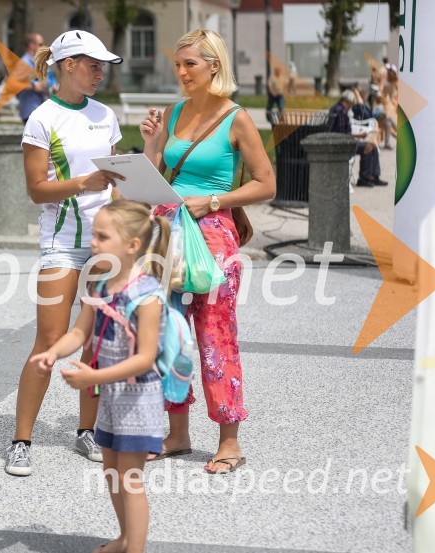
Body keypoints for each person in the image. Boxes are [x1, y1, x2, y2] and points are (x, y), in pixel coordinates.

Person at [139, 29, 275, 474]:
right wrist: (151, 145)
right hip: (167, 232)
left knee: (215, 335)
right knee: (169, 334)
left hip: (213, 235)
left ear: (214, 66)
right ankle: (177, 434)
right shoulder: (174, 111)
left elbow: (266, 183)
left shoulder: (236, 118)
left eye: (190, 65)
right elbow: (154, 174)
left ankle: (229, 441)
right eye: (177, 64)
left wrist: (214, 201)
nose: (181, 73)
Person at [6, 30, 125, 476]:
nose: (100, 72)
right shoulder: (41, 118)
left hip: (104, 243)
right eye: (93, 65)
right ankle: (21, 440)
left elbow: (116, 177)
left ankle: (86, 431)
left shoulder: (105, 114)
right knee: (49, 342)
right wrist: (82, 184)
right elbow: (36, 191)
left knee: (95, 340)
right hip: (61, 243)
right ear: (69, 65)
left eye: (102, 66)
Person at [31, 200, 170, 553]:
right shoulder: (99, 287)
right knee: (111, 471)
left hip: (139, 400)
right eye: (94, 234)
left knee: (130, 479)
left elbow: (145, 358)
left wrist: (95, 376)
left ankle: (134, 548)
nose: (93, 242)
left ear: (132, 246)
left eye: (102, 236)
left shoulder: (147, 294)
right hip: (110, 396)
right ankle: (123, 537)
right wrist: (52, 351)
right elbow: (80, 333)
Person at [329, 89, 387, 187]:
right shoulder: (341, 111)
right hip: (343, 144)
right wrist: (359, 135)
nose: (351, 107)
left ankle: (372, 176)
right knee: (369, 147)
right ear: (347, 101)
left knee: (372, 146)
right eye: (351, 104)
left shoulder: (337, 108)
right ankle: (365, 178)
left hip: (343, 141)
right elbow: (342, 133)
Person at [16, 33, 57, 123]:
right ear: (31, 45)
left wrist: (53, 86)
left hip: (44, 109)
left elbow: (50, 78)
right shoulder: (23, 63)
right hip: (31, 110)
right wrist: (34, 86)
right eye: (40, 44)